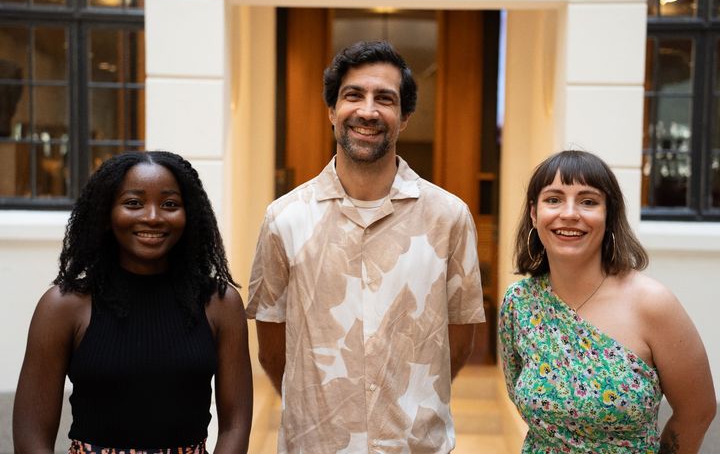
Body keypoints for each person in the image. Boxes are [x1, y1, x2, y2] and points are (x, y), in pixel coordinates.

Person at [246, 40, 485, 453]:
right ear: (331, 111)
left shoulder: (449, 217)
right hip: (314, 444)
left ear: (405, 117)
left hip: (416, 446)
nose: (368, 111)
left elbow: (459, 341)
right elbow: (271, 347)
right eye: (353, 95)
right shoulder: (284, 218)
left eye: (385, 99)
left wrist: (412, 401)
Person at [13, 151, 253, 453]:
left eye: (169, 204)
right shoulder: (63, 306)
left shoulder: (220, 304)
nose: (152, 216)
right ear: (105, 214)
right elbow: (30, 435)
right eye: (133, 203)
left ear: (189, 214)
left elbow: (236, 425)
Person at [499, 150, 716, 453]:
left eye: (588, 201)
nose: (570, 213)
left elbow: (698, 412)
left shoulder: (652, 304)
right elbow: (517, 392)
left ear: (609, 215)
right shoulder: (519, 303)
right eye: (554, 199)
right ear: (534, 215)